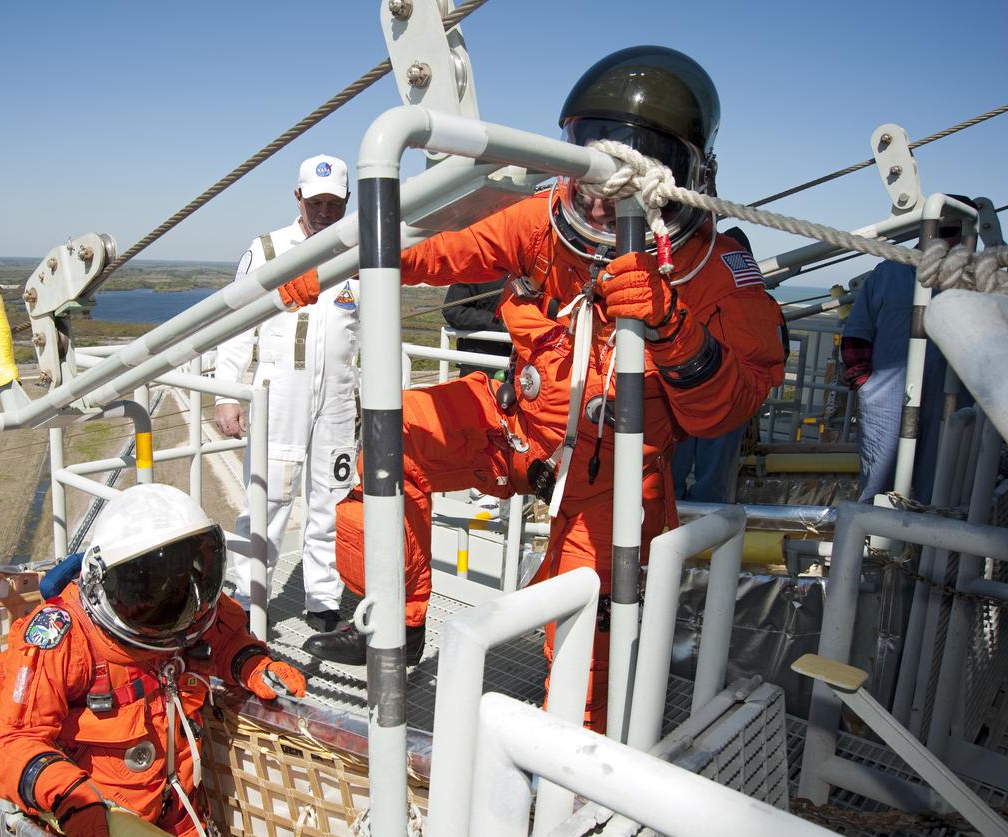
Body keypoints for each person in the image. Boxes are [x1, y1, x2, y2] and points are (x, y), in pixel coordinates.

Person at [295, 46, 787, 733]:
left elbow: (728, 406)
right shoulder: (544, 220)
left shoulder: (715, 271)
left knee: (586, 644)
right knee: (393, 432)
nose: (601, 187)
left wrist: (671, 326)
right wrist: (338, 260)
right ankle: (399, 622)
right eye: (592, 155)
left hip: (613, 481)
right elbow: (450, 252)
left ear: (686, 174)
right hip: (518, 428)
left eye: (635, 160)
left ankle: (568, 792)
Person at [0, 484, 307, 837]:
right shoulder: (64, 638)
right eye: (149, 596)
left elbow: (224, 634)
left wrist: (250, 663)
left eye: (185, 579)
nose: (175, 616)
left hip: (184, 819)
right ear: (106, 585)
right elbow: (11, 743)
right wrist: (72, 799)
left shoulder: (187, 603)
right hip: (106, 828)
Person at [213, 155, 359, 632]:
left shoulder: (357, 249)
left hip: (338, 395)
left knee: (332, 500)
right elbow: (237, 325)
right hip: (280, 395)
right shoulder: (269, 249)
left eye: (333, 203)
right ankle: (247, 596)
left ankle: (322, 599)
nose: (324, 211)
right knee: (268, 498)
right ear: (297, 197)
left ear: (347, 201)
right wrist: (227, 393)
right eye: (315, 201)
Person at [840, 198, 972, 503]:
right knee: (879, 491)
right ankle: (871, 548)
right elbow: (857, 333)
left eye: (957, 233)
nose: (950, 239)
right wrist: (867, 386)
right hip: (888, 402)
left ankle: (928, 551)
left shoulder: (977, 279)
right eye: (947, 230)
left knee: (942, 492)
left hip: (953, 404)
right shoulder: (888, 272)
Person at [667, 226, 760, 503]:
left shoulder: (692, 285)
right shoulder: (751, 295)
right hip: (726, 393)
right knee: (714, 478)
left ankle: (668, 527)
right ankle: (706, 533)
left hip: (686, 388)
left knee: (672, 471)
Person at [442, 278, 512, 378]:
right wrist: (498, 323)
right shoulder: (473, 268)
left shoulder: (531, 269)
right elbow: (452, 310)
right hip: (482, 363)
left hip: (526, 364)